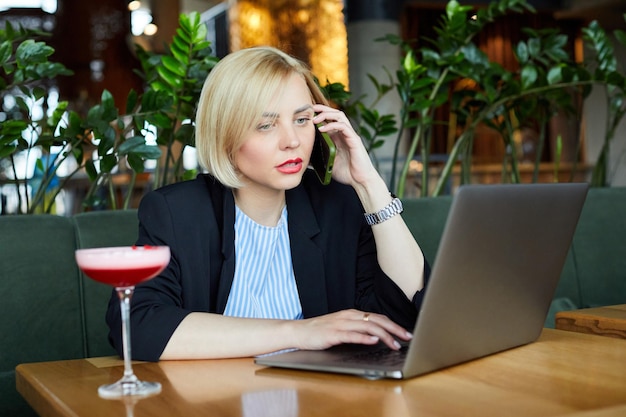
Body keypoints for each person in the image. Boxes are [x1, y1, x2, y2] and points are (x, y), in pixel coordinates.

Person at [106, 46, 430, 362]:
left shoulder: (337, 205)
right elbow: (137, 325)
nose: (292, 141)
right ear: (225, 136)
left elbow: (404, 315)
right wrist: (299, 332)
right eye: (266, 125)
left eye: (302, 120)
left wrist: (368, 184)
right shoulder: (177, 213)